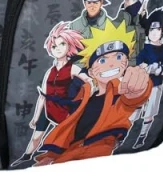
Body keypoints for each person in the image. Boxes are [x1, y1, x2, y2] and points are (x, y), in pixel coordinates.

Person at [34, 20, 152, 166]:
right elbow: (71, 128)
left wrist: (139, 86)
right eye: (102, 60)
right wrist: (53, 155)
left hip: (97, 149)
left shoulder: (120, 94)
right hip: (71, 149)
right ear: (90, 72)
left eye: (119, 57)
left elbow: (132, 99)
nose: (112, 64)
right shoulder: (85, 95)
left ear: (127, 63)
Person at [11, 22, 92, 167]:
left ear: (69, 46)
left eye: (62, 44)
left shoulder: (72, 68)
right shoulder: (50, 71)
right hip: (48, 108)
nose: (58, 49)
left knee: (66, 137)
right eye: (54, 46)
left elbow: (88, 81)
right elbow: (43, 95)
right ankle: (26, 156)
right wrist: (35, 117)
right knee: (36, 137)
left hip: (65, 110)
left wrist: (88, 93)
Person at [132, 7, 163, 149]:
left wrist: (151, 68)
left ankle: (142, 137)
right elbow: (139, 65)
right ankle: (122, 135)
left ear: (162, 31)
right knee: (134, 110)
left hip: (156, 86)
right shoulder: (144, 48)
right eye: (151, 29)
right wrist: (154, 67)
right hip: (141, 84)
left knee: (149, 113)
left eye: (158, 29)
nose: (154, 33)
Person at [114, 0, 157, 65]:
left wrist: (143, 16)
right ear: (125, 1)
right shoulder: (115, 24)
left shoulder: (141, 25)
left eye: (137, 1)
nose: (134, 4)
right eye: (132, 0)